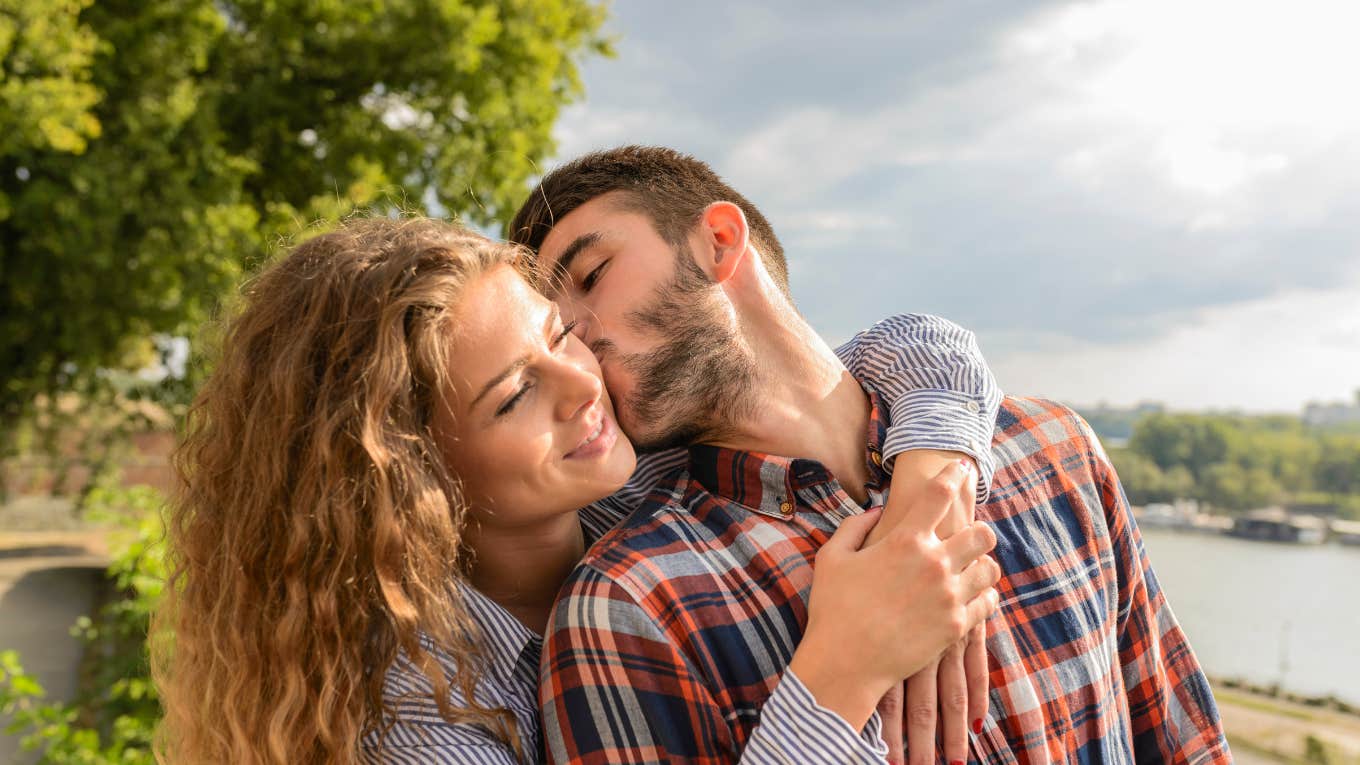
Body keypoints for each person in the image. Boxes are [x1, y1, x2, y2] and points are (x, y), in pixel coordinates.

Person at [152, 216, 1005, 765]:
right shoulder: (417, 725)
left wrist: (931, 494)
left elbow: (909, 349)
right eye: (516, 394)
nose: (584, 383)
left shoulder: (640, 480)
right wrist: (839, 674)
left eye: (563, 333)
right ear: (412, 476)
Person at [509, 145, 1234, 765]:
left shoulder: (1056, 451)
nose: (576, 333)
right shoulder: (626, 605)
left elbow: (1186, 743)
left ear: (720, 242)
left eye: (593, 274)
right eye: (554, 328)